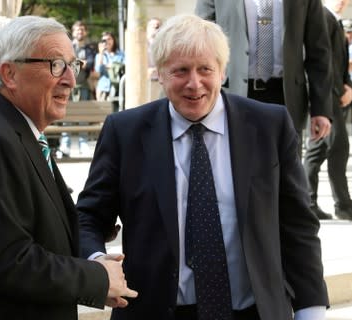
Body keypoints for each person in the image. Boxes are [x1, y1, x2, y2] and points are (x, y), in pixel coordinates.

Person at [77, 14, 328, 320]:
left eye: (205, 69)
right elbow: (88, 216)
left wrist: (310, 310)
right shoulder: (125, 132)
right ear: (161, 74)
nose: (194, 84)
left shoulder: (269, 126)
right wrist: (98, 261)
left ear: (222, 71)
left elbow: (298, 226)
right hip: (155, 311)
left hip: (254, 312)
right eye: (180, 70)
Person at [0, 15, 137, 320]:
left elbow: (36, 233)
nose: (71, 80)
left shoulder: (15, 130)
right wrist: (96, 278)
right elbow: (10, 262)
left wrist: (94, 266)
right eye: (55, 65)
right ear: (10, 74)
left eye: (72, 65)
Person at [195, 0, 333, 155]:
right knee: (238, 171)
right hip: (234, 97)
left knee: (286, 175)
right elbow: (201, 45)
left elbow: (319, 52)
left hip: (286, 99)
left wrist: (321, 109)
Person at [303, 0, 352, 221]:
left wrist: (347, 85)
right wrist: (336, 90)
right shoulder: (322, 15)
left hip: (334, 92)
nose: (343, 1)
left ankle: (309, 202)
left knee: (317, 151)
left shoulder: (335, 19)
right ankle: (343, 204)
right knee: (339, 147)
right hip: (327, 95)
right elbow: (321, 59)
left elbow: (338, 61)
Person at [57, 20, 96, 158]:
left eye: (82, 30)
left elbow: (90, 63)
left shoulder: (90, 48)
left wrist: (77, 62)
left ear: (85, 32)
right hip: (68, 86)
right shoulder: (67, 46)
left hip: (83, 87)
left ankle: (83, 145)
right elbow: (65, 62)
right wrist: (80, 62)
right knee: (66, 116)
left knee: (83, 117)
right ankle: (65, 146)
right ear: (73, 32)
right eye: (77, 30)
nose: (80, 32)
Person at [94, 31, 125, 102]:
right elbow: (98, 70)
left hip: (118, 88)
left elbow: (124, 67)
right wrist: (101, 53)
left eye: (109, 39)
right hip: (104, 88)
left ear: (113, 40)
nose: (107, 42)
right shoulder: (99, 56)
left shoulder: (121, 54)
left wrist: (110, 66)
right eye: (104, 40)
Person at [146, 17, 163, 101]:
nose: (157, 29)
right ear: (148, 28)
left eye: (159, 26)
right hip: (146, 82)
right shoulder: (141, 45)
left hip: (160, 81)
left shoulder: (164, 44)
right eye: (155, 27)